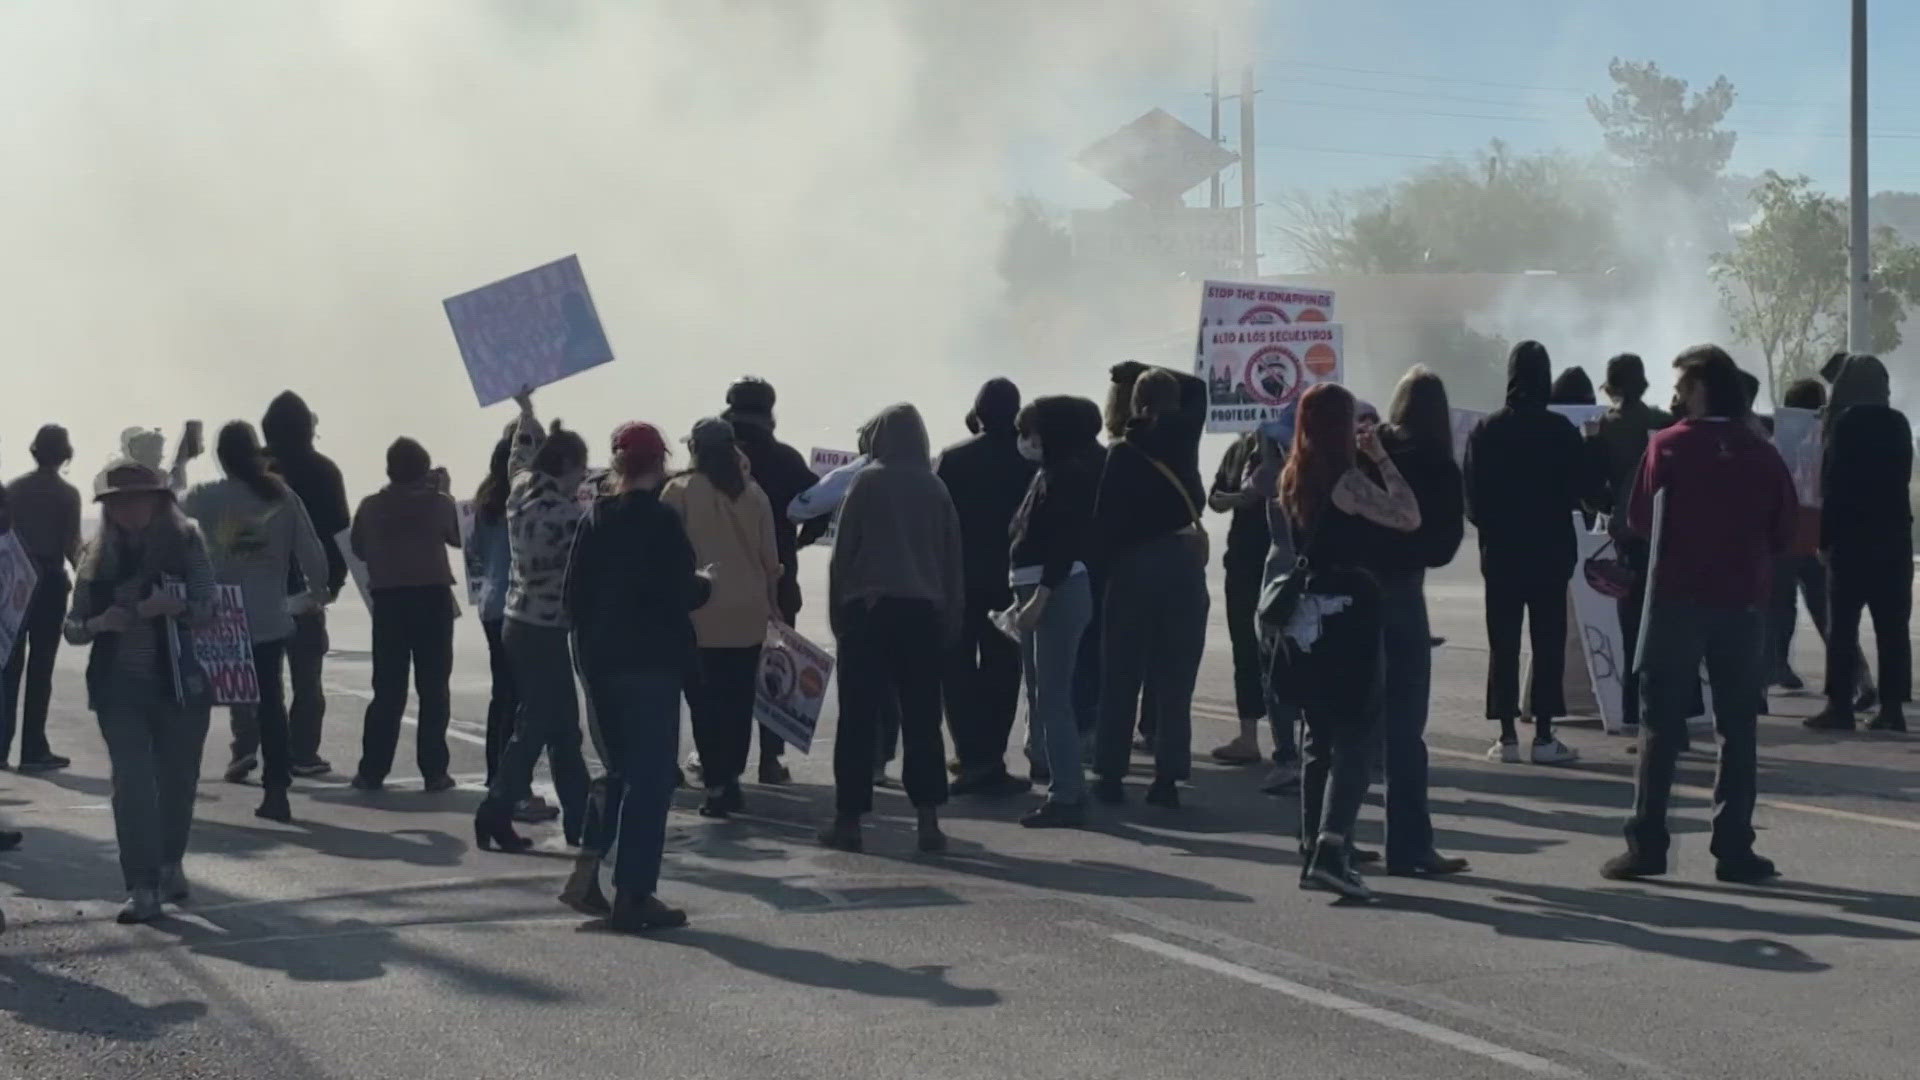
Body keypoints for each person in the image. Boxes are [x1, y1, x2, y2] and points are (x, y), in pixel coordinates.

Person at [1603, 346, 1796, 884]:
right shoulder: (1762, 452)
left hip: (1675, 601)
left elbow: (1639, 518)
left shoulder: (1666, 447)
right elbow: (1784, 532)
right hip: (1742, 604)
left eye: (1684, 385)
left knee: (1660, 725)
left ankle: (1648, 844)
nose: (1677, 395)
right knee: (1737, 728)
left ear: (1701, 388)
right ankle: (1734, 847)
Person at [560, 421, 708, 932]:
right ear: (660, 463)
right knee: (650, 781)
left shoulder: (594, 518)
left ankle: (586, 869)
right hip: (650, 664)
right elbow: (680, 592)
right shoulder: (663, 521)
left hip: (600, 664)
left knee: (617, 772)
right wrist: (703, 585)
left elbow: (572, 599)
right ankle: (634, 894)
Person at [1278, 383, 1422, 900]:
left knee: (1318, 738)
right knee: (1357, 736)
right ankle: (1333, 847)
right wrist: (1381, 457)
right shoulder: (1345, 482)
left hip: (1311, 617)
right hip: (1350, 616)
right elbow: (1408, 516)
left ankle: (1312, 843)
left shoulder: (1294, 474)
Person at [64, 460, 218, 923]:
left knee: (178, 782)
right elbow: (72, 628)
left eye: (139, 498)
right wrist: (100, 622)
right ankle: (142, 886)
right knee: (131, 785)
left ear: (160, 500)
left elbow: (209, 608)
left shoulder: (187, 542)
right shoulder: (96, 554)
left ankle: (170, 864)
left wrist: (177, 607)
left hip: (182, 683)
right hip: (118, 687)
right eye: (119, 502)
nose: (131, 509)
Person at [818, 404, 964, 854]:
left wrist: (838, 615)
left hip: (869, 612)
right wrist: (951, 621)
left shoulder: (867, 482)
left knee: (859, 719)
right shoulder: (936, 487)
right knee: (922, 718)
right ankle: (928, 820)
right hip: (923, 615)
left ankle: (849, 820)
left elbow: (843, 555)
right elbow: (951, 562)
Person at [182, 422, 328, 824]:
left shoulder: (203, 497)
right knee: (271, 706)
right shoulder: (282, 496)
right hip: (267, 618)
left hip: (215, 619)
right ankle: (276, 790)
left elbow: (167, 525)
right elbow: (311, 551)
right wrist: (317, 594)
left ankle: (184, 788)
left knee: (197, 706)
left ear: (221, 458)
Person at [474, 390, 592, 850]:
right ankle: (496, 810)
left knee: (559, 729)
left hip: (517, 620)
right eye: (581, 470)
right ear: (567, 467)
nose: (584, 478)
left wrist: (527, 411)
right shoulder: (566, 517)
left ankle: (580, 821)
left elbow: (520, 452)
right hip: (545, 631)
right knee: (542, 728)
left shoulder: (521, 488)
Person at [1091, 365, 1211, 807]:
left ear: (1136, 405)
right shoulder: (1185, 438)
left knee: (1121, 675)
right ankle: (1167, 779)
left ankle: (1109, 774)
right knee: (1175, 680)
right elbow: (1198, 387)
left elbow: (1104, 524)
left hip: (1133, 566)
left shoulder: (1121, 452)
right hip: (1183, 565)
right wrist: (1138, 368)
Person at [1368, 367, 1469, 876]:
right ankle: (1408, 845)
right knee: (1405, 730)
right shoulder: (1438, 466)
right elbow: (1446, 546)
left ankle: (1327, 838)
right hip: (1404, 591)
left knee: (1344, 726)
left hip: (1355, 590)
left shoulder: (1368, 453)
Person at [1465, 340, 1585, 765]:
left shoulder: (1486, 430)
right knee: (1548, 641)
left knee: (1504, 643)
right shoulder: (1561, 430)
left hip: (1500, 554)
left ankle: (1507, 736)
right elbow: (1579, 491)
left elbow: (1473, 503)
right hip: (1551, 551)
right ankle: (1546, 736)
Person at [662, 418, 782, 818]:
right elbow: (770, 562)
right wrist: (774, 607)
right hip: (748, 612)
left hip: (700, 611)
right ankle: (731, 778)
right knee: (738, 701)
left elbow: (666, 552)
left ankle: (716, 786)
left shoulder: (677, 491)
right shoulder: (754, 494)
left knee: (704, 704)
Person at [1005, 396, 1103, 827]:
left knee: (1054, 697)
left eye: (1031, 432)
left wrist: (1039, 597)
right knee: (1045, 692)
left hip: (1055, 592)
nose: (1026, 441)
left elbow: (1064, 544)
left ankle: (1067, 795)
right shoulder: (1051, 472)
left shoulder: (1069, 476)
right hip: (1040, 589)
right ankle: (1064, 786)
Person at [937, 378, 1035, 797]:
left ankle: (970, 753)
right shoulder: (1030, 461)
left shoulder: (953, 458)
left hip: (959, 578)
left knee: (956, 667)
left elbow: (937, 521)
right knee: (1004, 668)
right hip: (1011, 579)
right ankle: (991, 757)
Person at [349, 436, 461, 792]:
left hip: (389, 603)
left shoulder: (369, 506)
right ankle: (434, 771)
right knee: (434, 689)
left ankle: (372, 770)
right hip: (432, 599)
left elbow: (358, 549)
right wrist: (443, 491)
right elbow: (460, 537)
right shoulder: (439, 503)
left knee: (387, 690)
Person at [1809, 354, 1913, 732]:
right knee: (1892, 628)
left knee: (1843, 626)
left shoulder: (1845, 424)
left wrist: (1823, 539)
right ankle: (1892, 710)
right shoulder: (1899, 423)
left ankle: (1839, 707)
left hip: (1851, 540)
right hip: (1894, 539)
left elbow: (1832, 487)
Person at [722, 378, 819, 783]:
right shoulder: (785, 459)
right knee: (775, 669)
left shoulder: (712, 459)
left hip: (717, 582)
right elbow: (821, 506)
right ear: (769, 413)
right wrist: (797, 539)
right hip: (775, 579)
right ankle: (769, 760)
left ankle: (722, 764)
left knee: (722, 672)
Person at [1587, 354, 1674, 730]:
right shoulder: (1662, 422)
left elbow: (1593, 490)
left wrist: (1610, 509)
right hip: (1665, 530)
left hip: (1628, 534)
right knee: (1666, 627)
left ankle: (1634, 713)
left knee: (1631, 630)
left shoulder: (1604, 427)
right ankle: (1671, 716)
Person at [1768, 379, 1859, 694]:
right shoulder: (1829, 434)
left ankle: (1775, 668)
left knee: (1779, 605)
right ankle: (1855, 676)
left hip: (1785, 528)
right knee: (1825, 608)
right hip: (1817, 529)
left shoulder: (1781, 436)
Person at [3, 425, 82, 772]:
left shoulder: (13, 490)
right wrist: (90, 579)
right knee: (41, 670)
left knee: (7, 669)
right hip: (50, 583)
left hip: (15, 584)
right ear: (65, 454)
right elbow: (71, 546)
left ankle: (1, 747)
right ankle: (34, 748)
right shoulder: (67, 494)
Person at [1208, 424, 1280, 771]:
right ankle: (1248, 735)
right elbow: (1216, 499)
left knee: (1284, 647)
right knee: (1244, 645)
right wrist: (1238, 497)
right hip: (1242, 559)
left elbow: (1278, 487)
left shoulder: (1288, 448)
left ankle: (1289, 742)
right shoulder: (1238, 451)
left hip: (1284, 560)